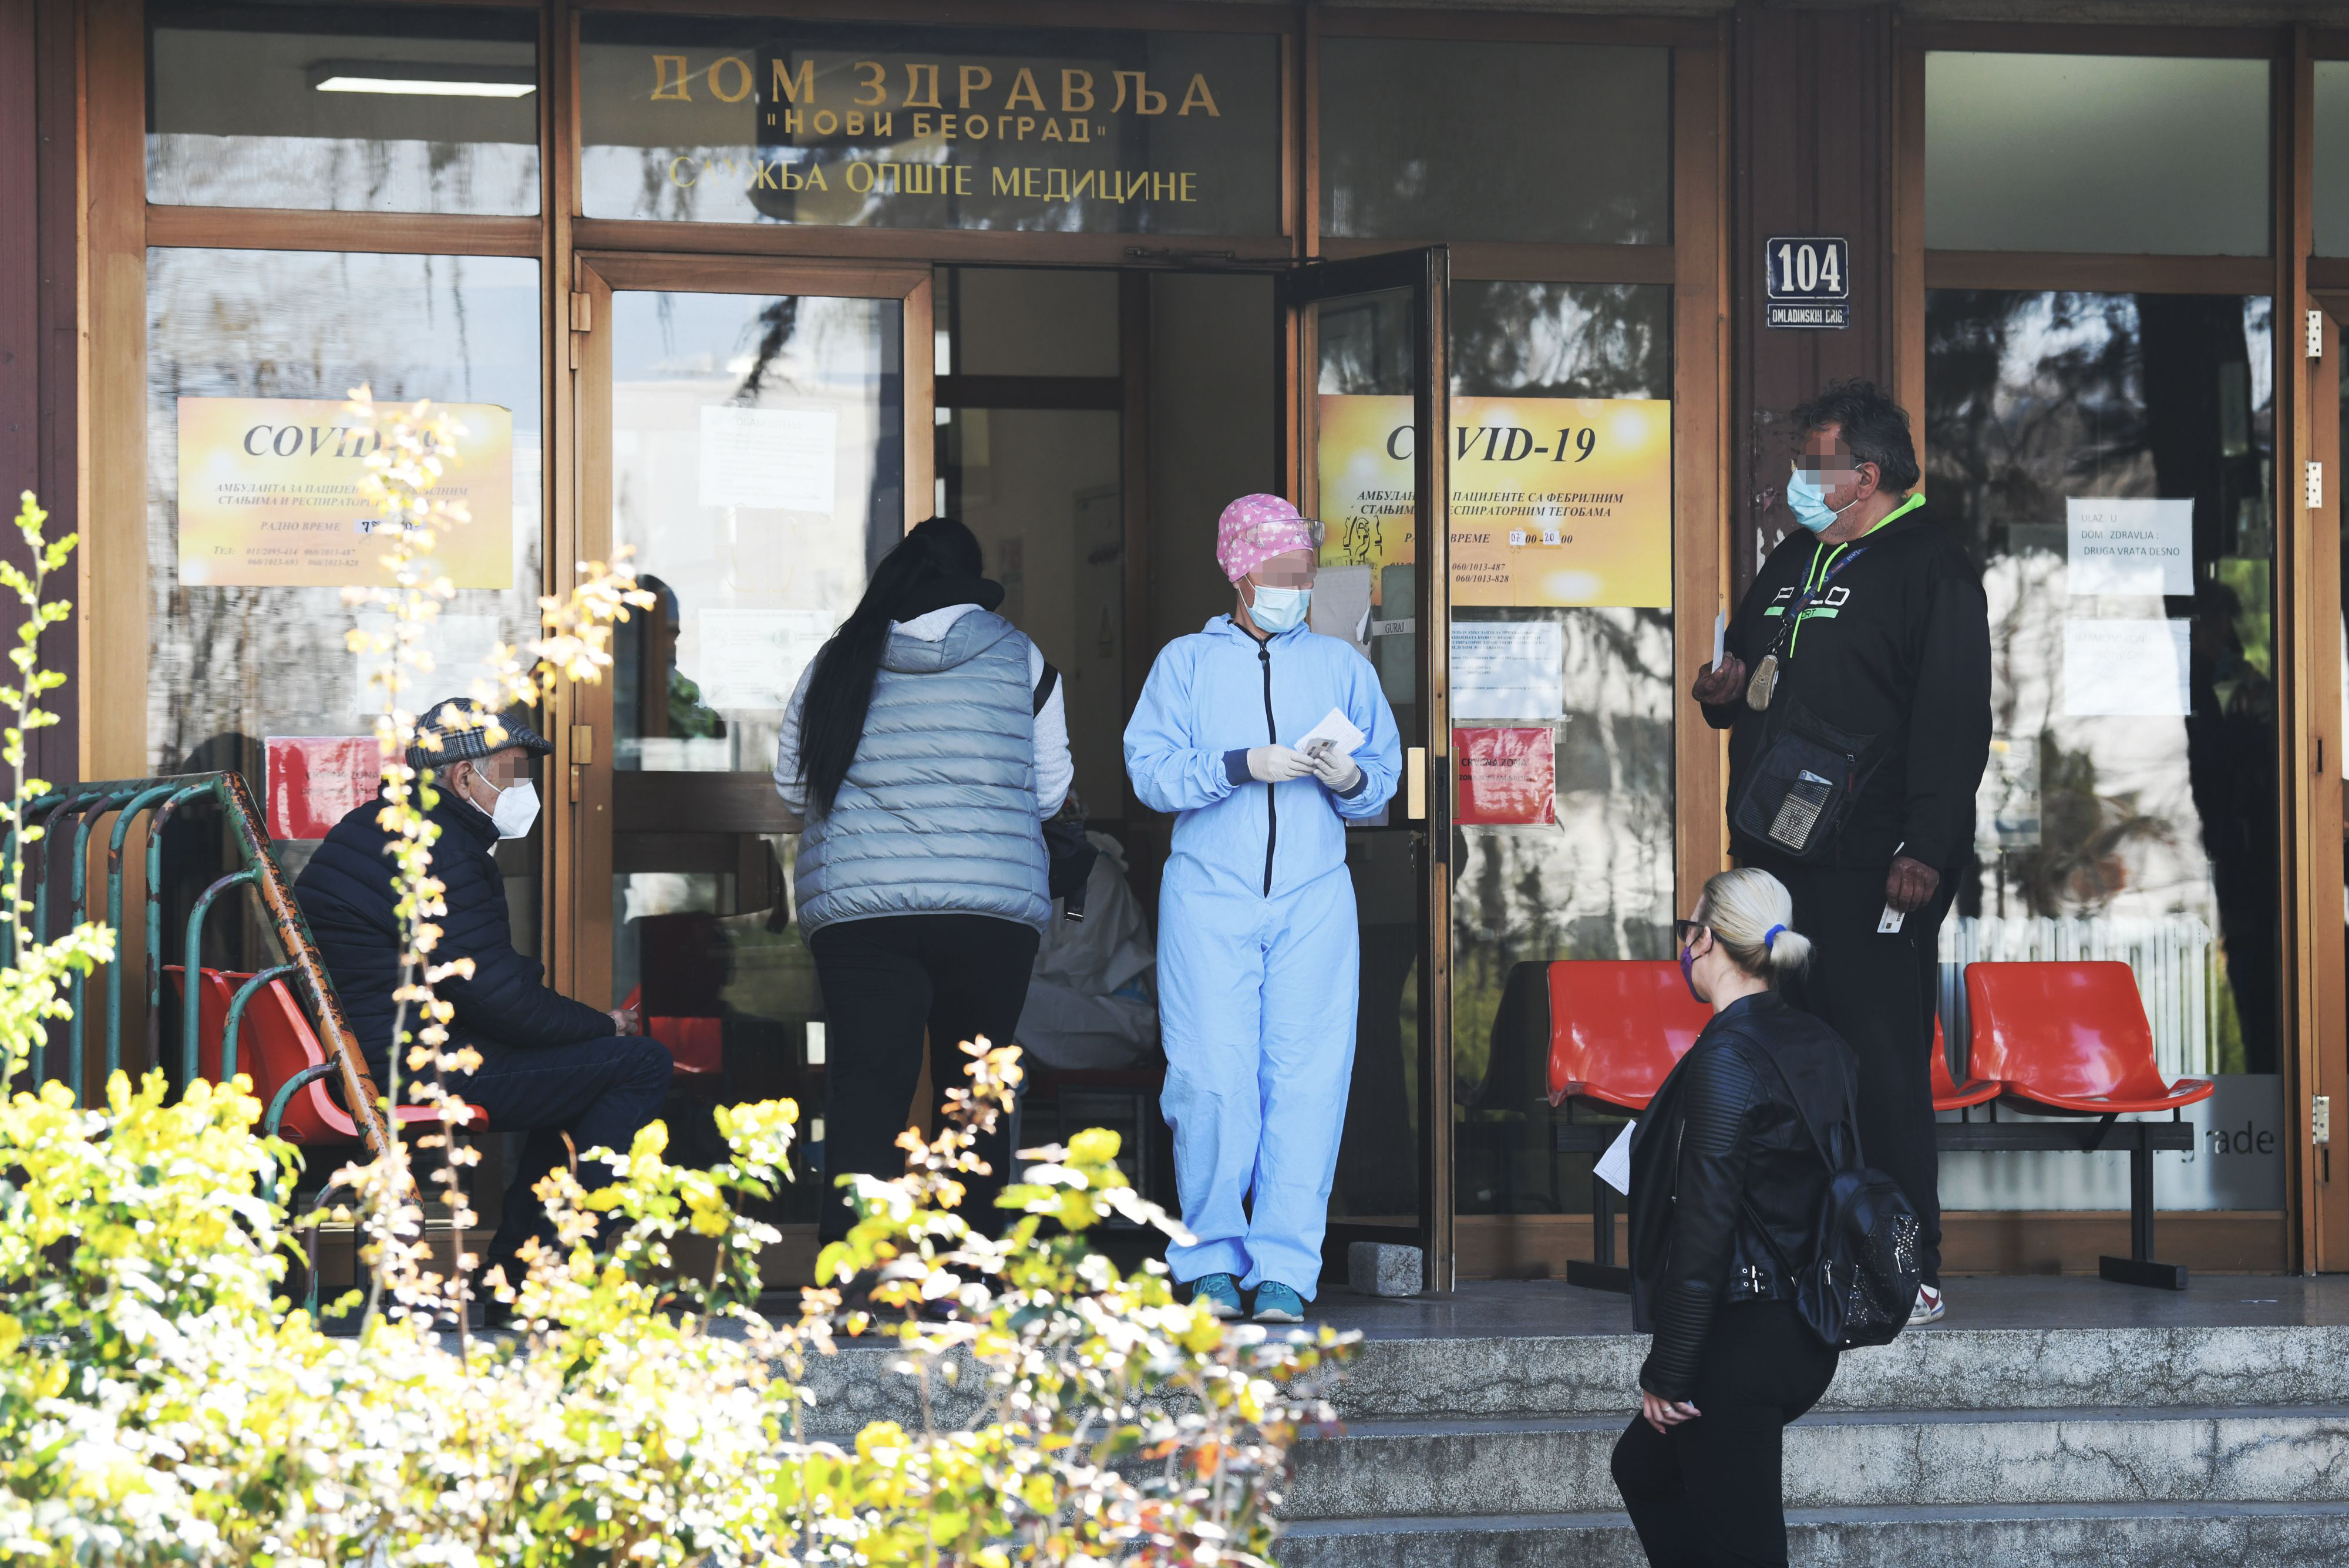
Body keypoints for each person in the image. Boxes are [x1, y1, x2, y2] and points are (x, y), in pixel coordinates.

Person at [1689, 380, 1989, 1326]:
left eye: (1814, 461)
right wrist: (1721, 691)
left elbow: (1954, 719)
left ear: (1865, 474)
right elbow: (1748, 671)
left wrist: (1927, 846)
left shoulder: (1933, 566)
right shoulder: (1795, 556)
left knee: (1880, 1059)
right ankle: (1800, 1251)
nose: (1798, 477)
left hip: (1879, 862)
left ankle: (1908, 1264)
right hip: (1778, 856)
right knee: (1782, 1055)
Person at [1123, 494, 1400, 1325]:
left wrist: (1352, 779)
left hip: (1315, 895)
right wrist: (1239, 764)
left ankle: (1285, 1268)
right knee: (1210, 1079)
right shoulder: (1185, 664)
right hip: (1210, 892)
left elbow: (1381, 779)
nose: (1296, 590)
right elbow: (1150, 772)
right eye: (1281, 575)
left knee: (1308, 1080)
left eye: (1305, 576)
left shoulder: (1341, 666)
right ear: (1239, 574)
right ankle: (1211, 1259)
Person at [295, 700, 673, 1287]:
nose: (525, 789)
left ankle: (525, 1273)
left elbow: (479, 985)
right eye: (515, 773)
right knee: (638, 1063)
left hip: (373, 1053)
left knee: (583, 1072)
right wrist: (606, 1025)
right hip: (409, 1067)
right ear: (464, 776)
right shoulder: (438, 848)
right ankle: (544, 1274)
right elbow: (499, 999)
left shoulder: (377, 827)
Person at [773, 516, 1071, 1243]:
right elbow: (1051, 792)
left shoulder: (841, 657)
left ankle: (852, 1280)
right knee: (974, 1099)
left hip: (861, 912)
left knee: (866, 1097)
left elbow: (792, 787)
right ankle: (968, 1273)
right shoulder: (1022, 656)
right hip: (988, 910)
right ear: (975, 578)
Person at [1611, 869, 1857, 1568]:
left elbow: (1704, 1228)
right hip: (1807, 1326)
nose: (1683, 945)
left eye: (1687, 930)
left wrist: (1669, 1369)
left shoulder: (1726, 1058)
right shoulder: (1819, 1041)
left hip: (1741, 1342)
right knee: (1642, 1469)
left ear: (1706, 940)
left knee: (1747, 1551)